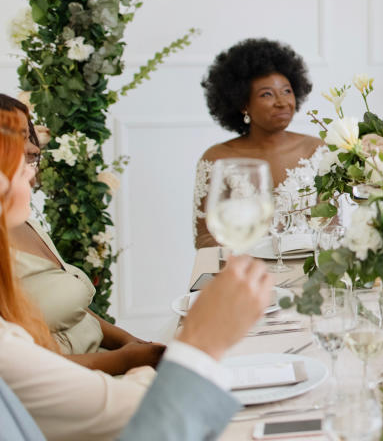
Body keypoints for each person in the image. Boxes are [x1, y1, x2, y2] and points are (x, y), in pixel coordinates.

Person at [0, 108, 272, 440]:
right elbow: (144, 420)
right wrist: (199, 343)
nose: (30, 172)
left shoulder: (27, 225)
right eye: (16, 162)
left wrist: (137, 349)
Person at [0, 94, 165, 374]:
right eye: (16, 146)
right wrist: (128, 360)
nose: (31, 151)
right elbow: (23, 371)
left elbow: (68, 309)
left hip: (105, 364)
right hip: (71, 382)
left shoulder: (26, 221)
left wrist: (131, 343)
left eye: (32, 149)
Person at [193, 38, 325, 248]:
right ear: (243, 103)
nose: (282, 102)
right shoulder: (217, 158)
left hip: (308, 272)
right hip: (245, 272)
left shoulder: (317, 151)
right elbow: (205, 237)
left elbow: (330, 227)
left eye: (287, 91)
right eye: (267, 94)